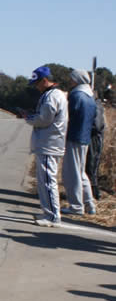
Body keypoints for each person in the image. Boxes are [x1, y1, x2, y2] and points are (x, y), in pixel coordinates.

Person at [25, 66, 67, 227]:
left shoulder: (52, 96)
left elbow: (44, 119)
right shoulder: (53, 95)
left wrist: (29, 118)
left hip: (50, 143)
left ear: (45, 80)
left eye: (37, 83)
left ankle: (53, 216)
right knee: (44, 180)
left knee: (48, 180)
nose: (36, 87)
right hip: (48, 142)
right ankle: (48, 211)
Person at [61, 69, 97, 215]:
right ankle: (89, 204)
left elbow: (67, 115)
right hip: (85, 137)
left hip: (74, 136)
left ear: (77, 80)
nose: (70, 81)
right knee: (81, 173)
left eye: (72, 78)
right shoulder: (90, 95)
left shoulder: (76, 95)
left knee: (71, 173)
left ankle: (76, 206)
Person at [86, 98, 105, 200]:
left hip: (94, 138)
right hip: (93, 137)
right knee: (91, 164)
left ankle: (93, 193)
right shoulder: (96, 103)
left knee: (91, 164)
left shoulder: (95, 104)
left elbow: (97, 125)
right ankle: (92, 192)